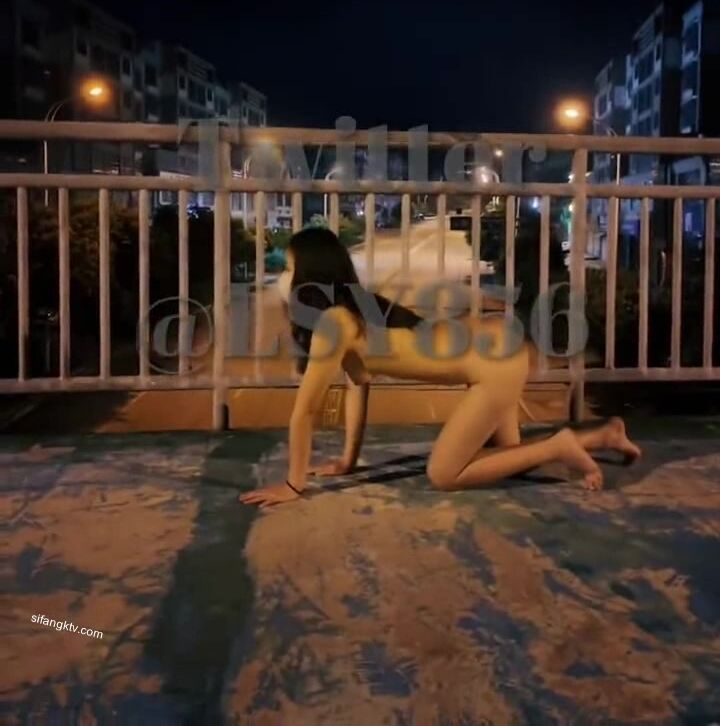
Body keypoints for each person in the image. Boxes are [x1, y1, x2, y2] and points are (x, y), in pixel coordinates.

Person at [239, 228, 641, 509]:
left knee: (445, 473)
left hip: (492, 364)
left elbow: (305, 411)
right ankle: (604, 435)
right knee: (507, 458)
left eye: (289, 269)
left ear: (310, 275)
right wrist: (347, 461)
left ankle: (561, 445)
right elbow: (358, 384)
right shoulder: (353, 312)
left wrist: (293, 485)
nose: (284, 279)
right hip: (496, 347)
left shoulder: (335, 322)